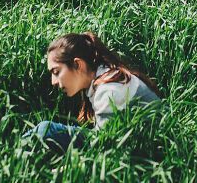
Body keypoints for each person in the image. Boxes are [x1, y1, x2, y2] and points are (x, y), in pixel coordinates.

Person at [21, 31, 163, 152]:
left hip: (156, 145)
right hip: (141, 142)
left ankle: (10, 156)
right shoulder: (103, 79)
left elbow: (105, 147)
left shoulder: (109, 90)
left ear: (77, 64)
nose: (53, 81)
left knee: (46, 129)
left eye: (56, 72)